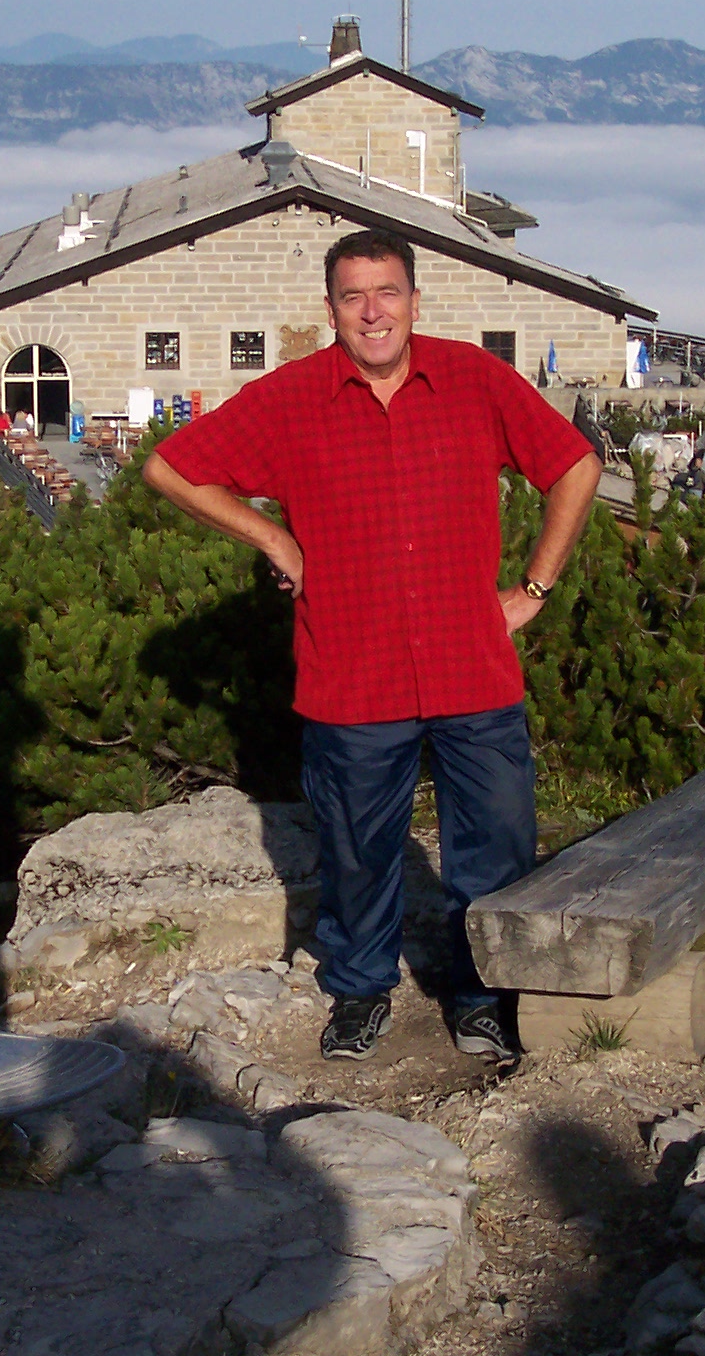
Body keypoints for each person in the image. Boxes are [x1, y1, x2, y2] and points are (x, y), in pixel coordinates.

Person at [144, 228, 601, 1065]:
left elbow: (574, 463)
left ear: (415, 301)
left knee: (495, 848)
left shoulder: (473, 379)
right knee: (357, 854)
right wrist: (273, 540)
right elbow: (172, 469)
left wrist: (533, 588)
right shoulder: (292, 398)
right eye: (354, 296)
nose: (372, 311)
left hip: (473, 665)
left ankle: (483, 996)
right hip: (352, 674)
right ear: (331, 311)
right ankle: (359, 992)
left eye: (387, 292)